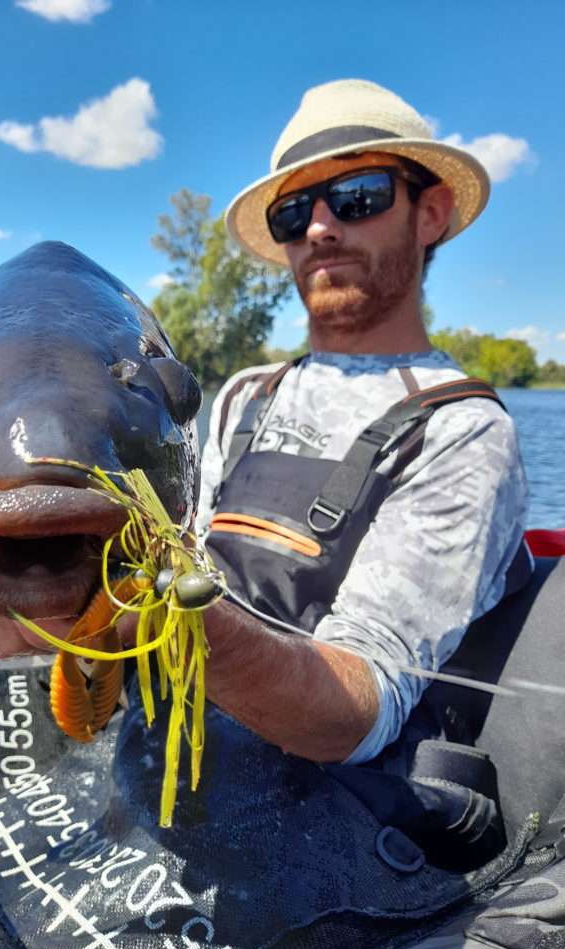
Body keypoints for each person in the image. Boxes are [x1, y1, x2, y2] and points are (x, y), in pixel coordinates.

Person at [191, 78, 529, 767]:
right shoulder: (243, 394)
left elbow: (359, 710)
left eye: (358, 197)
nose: (319, 227)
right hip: (189, 734)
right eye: (293, 214)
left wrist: (159, 619)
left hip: (323, 802)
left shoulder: (462, 428)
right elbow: (192, 557)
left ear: (429, 213)